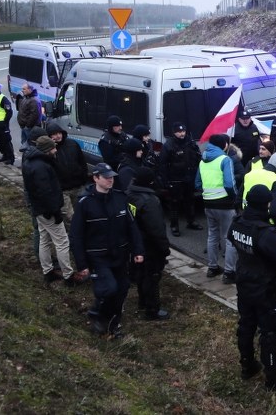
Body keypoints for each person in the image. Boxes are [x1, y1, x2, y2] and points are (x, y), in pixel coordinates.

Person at [230, 184, 276, 391]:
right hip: (266, 289)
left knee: (246, 326)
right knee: (269, 334)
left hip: (245, 284)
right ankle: (274, 379)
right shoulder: (265, 233)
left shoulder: (238, 223)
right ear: (265, 205)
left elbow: (233, 241)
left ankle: (247, 365)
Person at [70, 163, 145, 338]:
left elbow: (131, 227)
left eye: (111, 177)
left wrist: (138, 251)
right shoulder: (85, 203)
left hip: (120, 254)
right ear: (95, 178)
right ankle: (98, 314)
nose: (110, 180)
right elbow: (76, 235)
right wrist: (82, 263)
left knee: (123, 288)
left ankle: (113, 322)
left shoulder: (120, 198)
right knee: (109, 288)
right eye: (106, 177)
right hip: (98, 256)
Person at [23, 135, 75, 285]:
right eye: (53, 147)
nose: (56, 149)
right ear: (46, 150)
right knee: (62, 242)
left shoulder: (30, 162)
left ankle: (48, 271)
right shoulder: (42, 167)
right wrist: (55, 212)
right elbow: (46, 192)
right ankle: (68, 275)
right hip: (48, 210)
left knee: (44, 239)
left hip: (38, 209)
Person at [127, 167, 171, 321]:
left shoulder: (130, 194)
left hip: (137, 244)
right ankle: (152, 310)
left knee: (141, 274)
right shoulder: (149, 201)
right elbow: (156, 228)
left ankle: (143, 302)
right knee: (152, 277)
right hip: (151, 246)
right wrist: (164, 248)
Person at [195, 134, 238, 282]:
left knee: (212, 235)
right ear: (225, 145)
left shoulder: (203, 160)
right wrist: (234, 197)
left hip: (208, 203)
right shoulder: (225, 159)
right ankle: (229, 272)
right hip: (225, 204)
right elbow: (229, 184)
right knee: (229, 237)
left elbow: (198, 184)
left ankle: (212, 267)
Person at [159, 122, 203, 236]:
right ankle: (174, 226)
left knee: (190, 201)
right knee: (174, 203)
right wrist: (165, 181)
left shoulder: (191, 143)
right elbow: (162, 164)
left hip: (189, 177)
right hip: (175, 179)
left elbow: (198, 157)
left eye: (183, 131)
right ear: (174, 133)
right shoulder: (168, 145)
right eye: (179, 132)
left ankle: (191, 221)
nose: (181, 134)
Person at [46, 122, 89, 221]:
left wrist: (83, 177)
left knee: (81, 212)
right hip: (62, 190)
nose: (58, 136)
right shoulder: (49, 149)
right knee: (69, 216)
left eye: (59, 133)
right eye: (54, 134)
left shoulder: (72, 144)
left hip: (78, 186)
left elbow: (82, 161)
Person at [16, 83, 41, 151]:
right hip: (24, 127)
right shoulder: (26, 98)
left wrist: (28, 125)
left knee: (30, 145)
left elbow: (34, 115)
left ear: (30, 90)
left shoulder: (34, 100)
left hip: (29, 127)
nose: (22, 90)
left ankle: (30, 158)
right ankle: (26, 158)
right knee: (24, 144)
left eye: (24, 89)